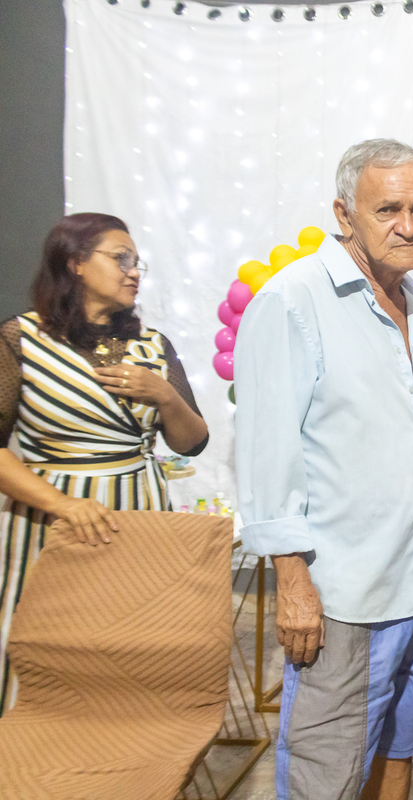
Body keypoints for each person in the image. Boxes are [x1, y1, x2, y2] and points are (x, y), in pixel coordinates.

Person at [235, 139, 413, 800]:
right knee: (324, 775)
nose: (408, 226)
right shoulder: (294, 299)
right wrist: (293, 581)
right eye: (387, 209)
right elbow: (267, 451)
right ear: (343, 213)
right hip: (345, 598)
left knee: (399, 750)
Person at [0, 212, 209, 714]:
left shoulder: (152, 346)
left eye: (137, 263)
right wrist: (64, 506)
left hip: (139, 519)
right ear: (74, 263)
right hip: (53, 524)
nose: (134, 271)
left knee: (133, 649)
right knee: (45, 653)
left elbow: (193, 442)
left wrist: (164, 396)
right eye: (121, 259)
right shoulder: (22, 340)